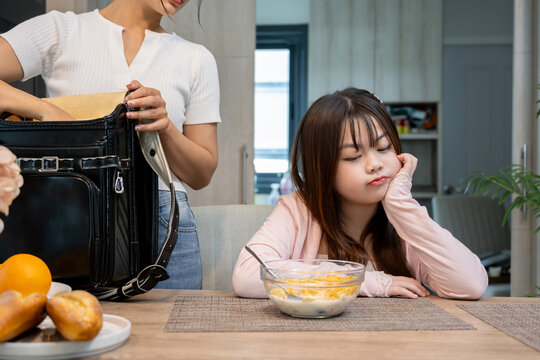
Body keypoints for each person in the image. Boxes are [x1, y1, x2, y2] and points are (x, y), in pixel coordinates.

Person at [0, 0, 221, 289]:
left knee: (175, 333)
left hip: (165, 223)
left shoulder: (196, 59)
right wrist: (46, 111)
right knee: (76, 328)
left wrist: (164, 127)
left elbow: (201, 174)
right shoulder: (61, 31)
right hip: (73, 213)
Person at [232, 88, 488, 299]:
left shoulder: (404, 223)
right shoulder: (298, 209)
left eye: (384, 147)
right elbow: (248, 275)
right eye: (353, 156)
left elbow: (470, 285)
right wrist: (368, 281)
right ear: (323, 169)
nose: (374, 164)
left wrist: (402, 205)